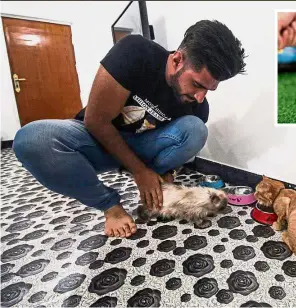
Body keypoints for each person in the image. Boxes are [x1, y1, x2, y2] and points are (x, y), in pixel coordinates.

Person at [13, 20, 246, 238]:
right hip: (95, 138)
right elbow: (95, 121)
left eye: (208, 90)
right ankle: (110, 207)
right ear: (177, 60)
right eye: (196, 84)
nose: (199, 96)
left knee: (195, 129)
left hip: (141, 146)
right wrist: (139, 172)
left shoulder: (197, 105)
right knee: (32, 139)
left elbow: (177, 142)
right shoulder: (136, 52)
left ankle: (154, 183)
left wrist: (163, 175)